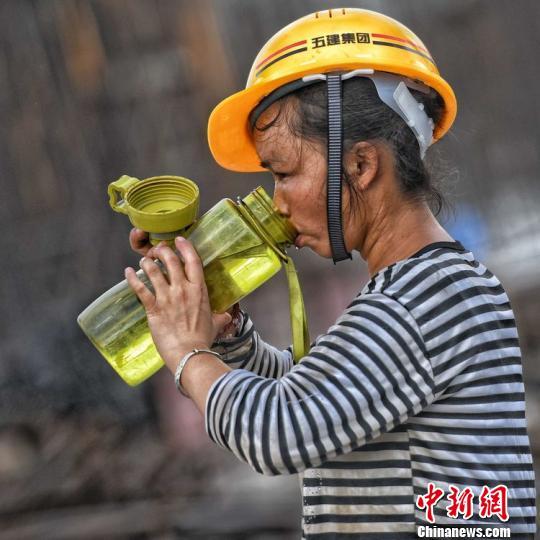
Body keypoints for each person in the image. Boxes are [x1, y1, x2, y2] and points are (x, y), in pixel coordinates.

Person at [125, 8, 536, 539]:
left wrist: (187, 353)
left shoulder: (420, 301)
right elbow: (317, 402)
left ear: (361, 166)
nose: (277, 204)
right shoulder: (429, 290)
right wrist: (226, 336)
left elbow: (281, 432)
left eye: (285, 173)